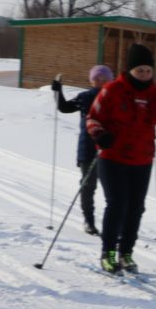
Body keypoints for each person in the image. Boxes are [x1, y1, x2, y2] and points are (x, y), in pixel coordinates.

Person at [85, 44, 156, 273]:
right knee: (117, 204)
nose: (145, 75)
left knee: (136, 208)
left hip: (142, 159)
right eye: (140, 71)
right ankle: (108, 253)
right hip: (113, 156)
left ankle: (126, 252)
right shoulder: (112, 90)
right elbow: (92, 118)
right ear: (130, 70)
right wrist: (100, 134)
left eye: (148, 71)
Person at [52, 64, 114, 234]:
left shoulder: (116, 97)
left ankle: (117, 223)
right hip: (88, 148)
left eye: (104, 79)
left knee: (114, 189)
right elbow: (64, 108)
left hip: (111, 149)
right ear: (91, 80)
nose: (100, 82)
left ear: (110, 80)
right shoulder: (85, 97)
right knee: (88, 186)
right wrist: (57, 91)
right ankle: (89, 221)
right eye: (97, 79)